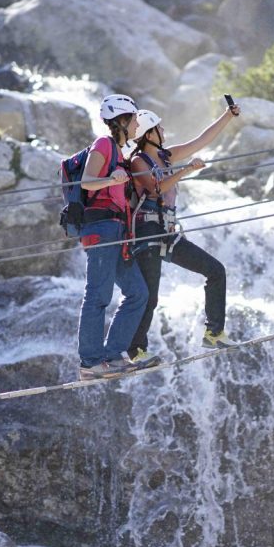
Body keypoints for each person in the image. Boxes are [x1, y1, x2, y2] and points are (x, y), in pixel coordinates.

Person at [126, 104, 241, 363]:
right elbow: (155, 189)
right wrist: (186, 169)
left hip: (166, 230)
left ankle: (214, 332)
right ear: (148, 133)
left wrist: (227, 115)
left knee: (215, 270)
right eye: (159, 127)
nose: (163, 130)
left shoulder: (166, 156)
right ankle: (135, 351)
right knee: (149, 296)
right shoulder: (137, 161)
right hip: (147, 232)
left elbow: (202, 139)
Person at [76, 94, 158, 380]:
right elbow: (85, 181)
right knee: (98, 295)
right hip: (101, 228)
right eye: (135, 119)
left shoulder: (121, 154)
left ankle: (113, 355)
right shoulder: (103, 144)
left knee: (138, 293)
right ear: (122, 120)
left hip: (118, 231)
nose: (138, 124)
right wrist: (112, 179)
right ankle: (90, 362)